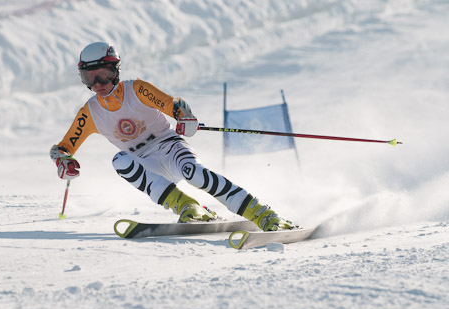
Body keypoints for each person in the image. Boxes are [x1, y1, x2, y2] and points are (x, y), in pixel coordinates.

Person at [50, 41, 293, 231]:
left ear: (115, 71)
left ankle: (262, 213)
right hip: (146, 161)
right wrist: (64, 161)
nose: (97, 83)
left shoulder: (136, 89)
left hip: (169, 146)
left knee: (194, 173)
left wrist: (183, 115)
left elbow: (171, 103)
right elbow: (63, 147)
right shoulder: (90, 112)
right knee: (120, 161)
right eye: (89, 78)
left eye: (102, 74)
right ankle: (188, 207)